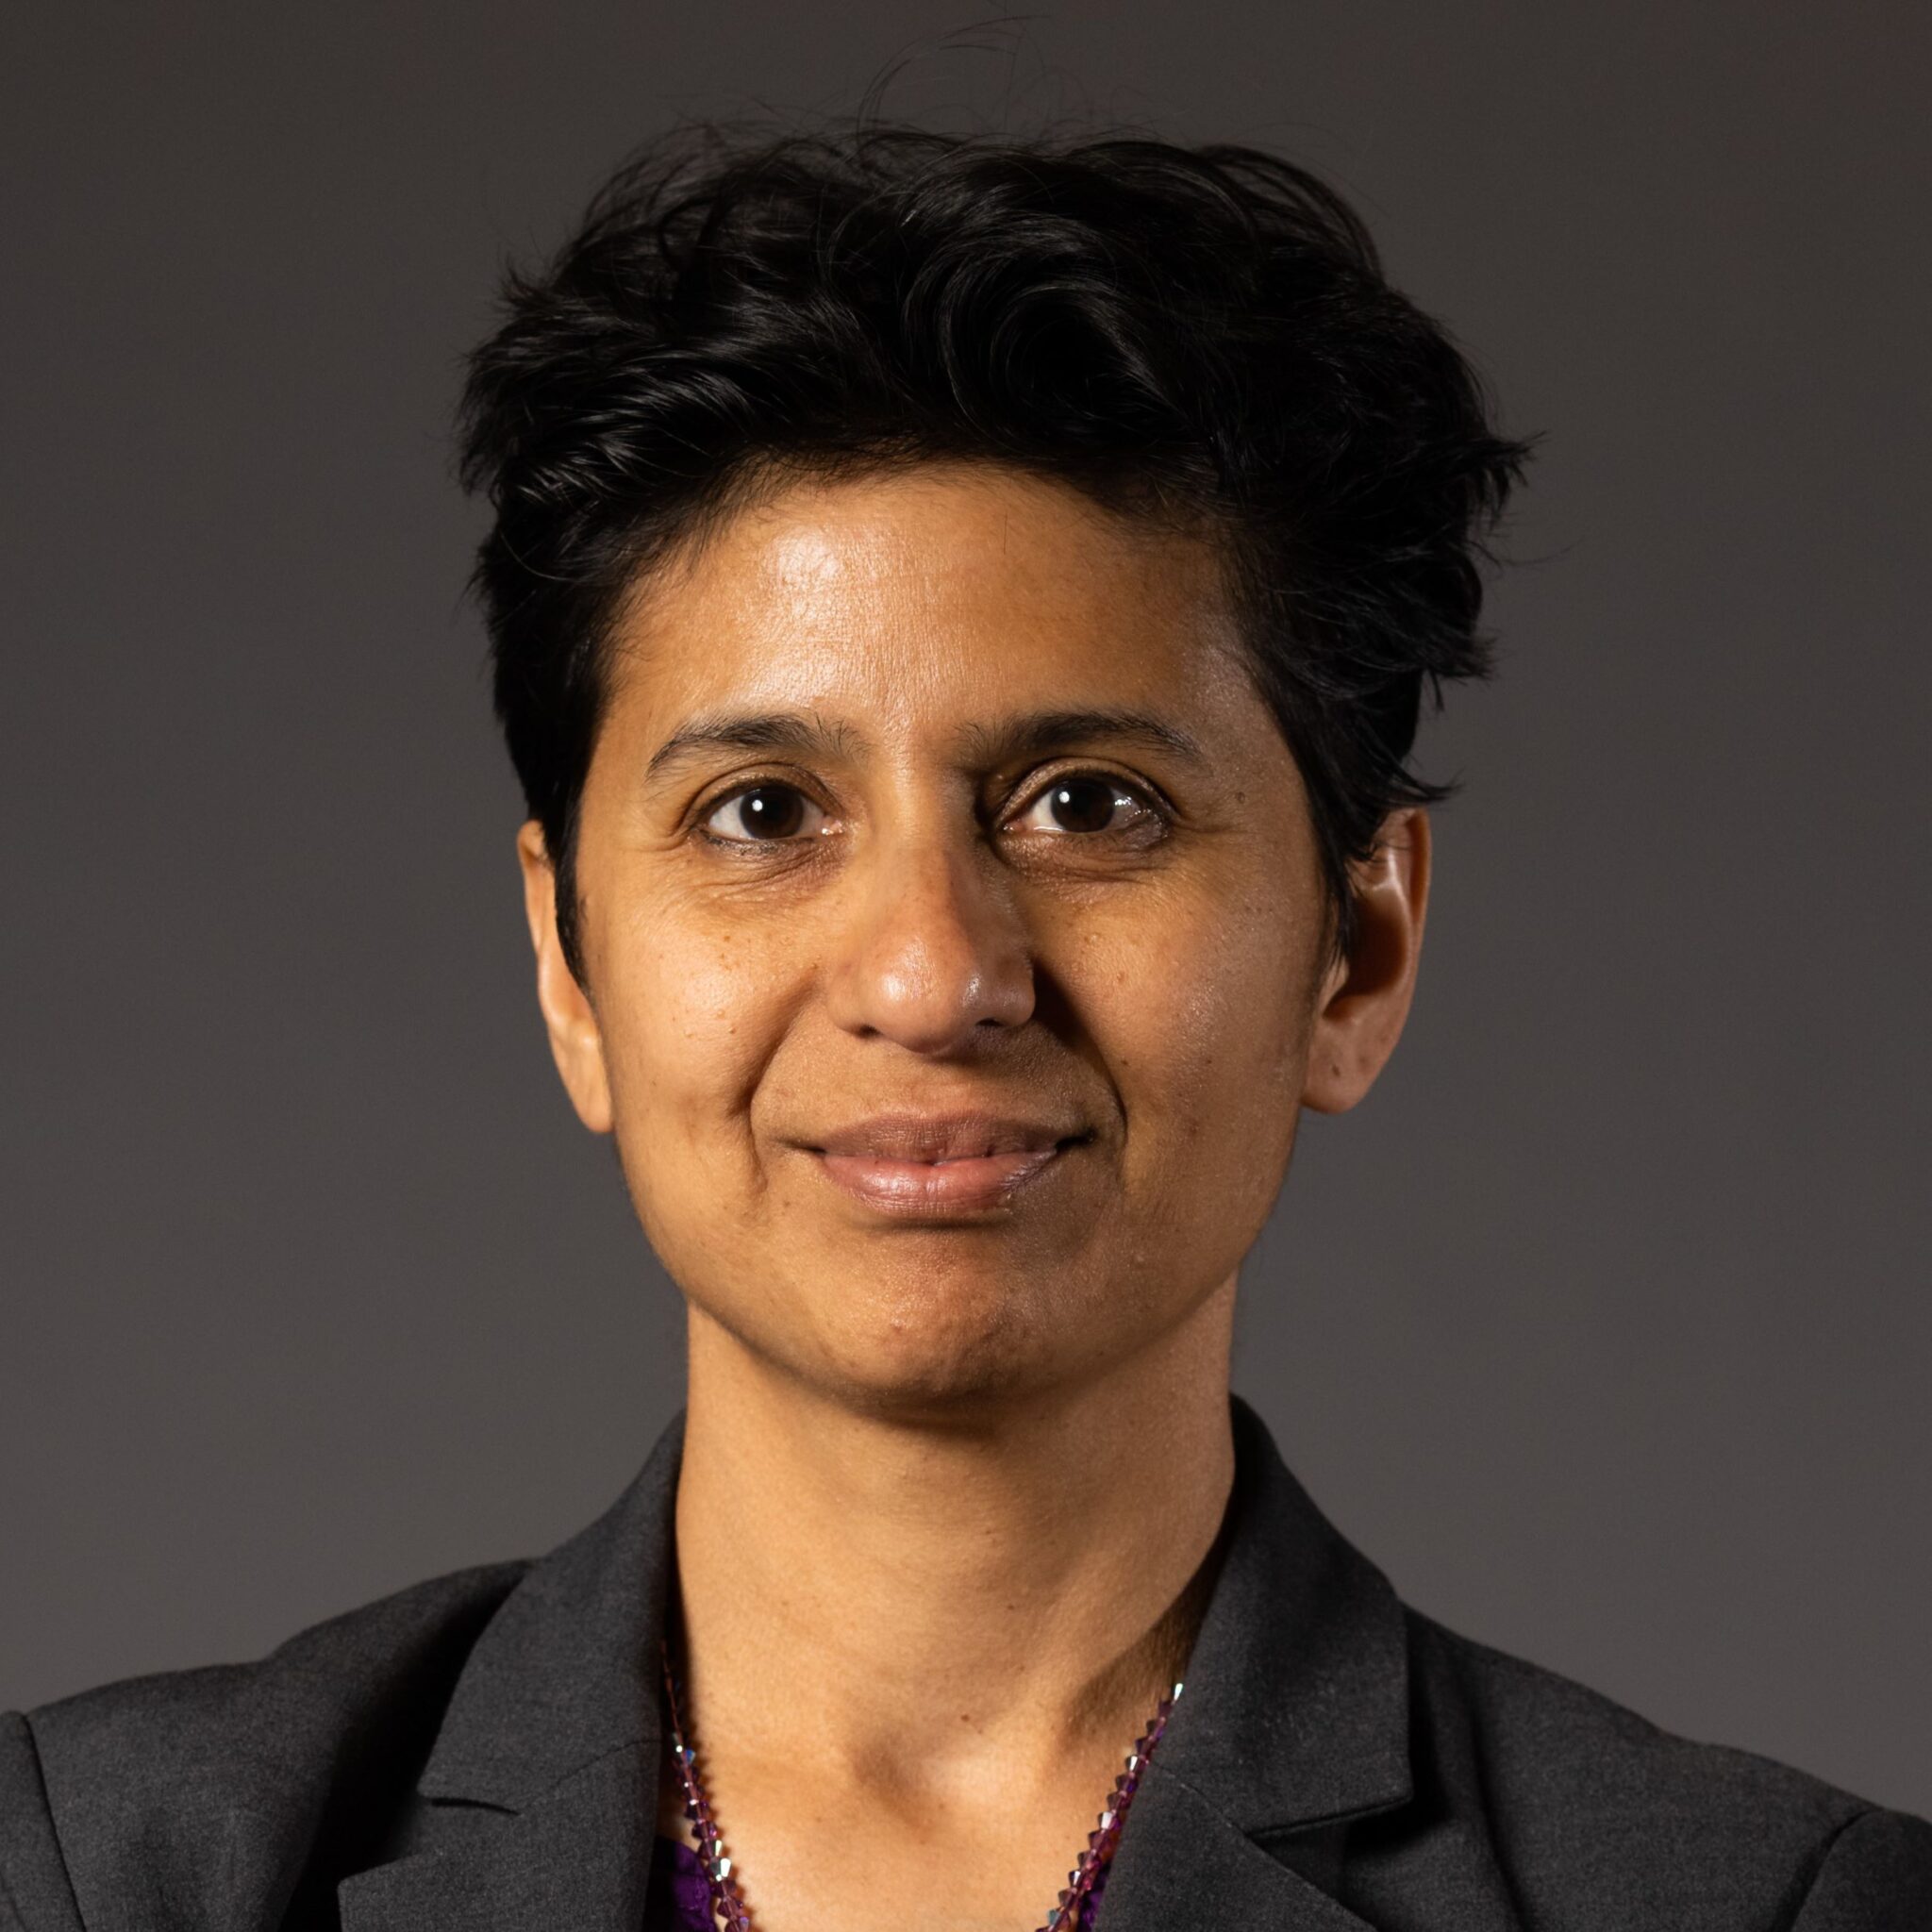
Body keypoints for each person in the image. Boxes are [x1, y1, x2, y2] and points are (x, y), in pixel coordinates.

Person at [3, 120, 1926, 1932]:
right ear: (569, 966)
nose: (931, 977)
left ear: (1355, 951)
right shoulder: (107, 1874)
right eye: (763, 812)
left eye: (1089, 804)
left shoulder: (1760, 1904)